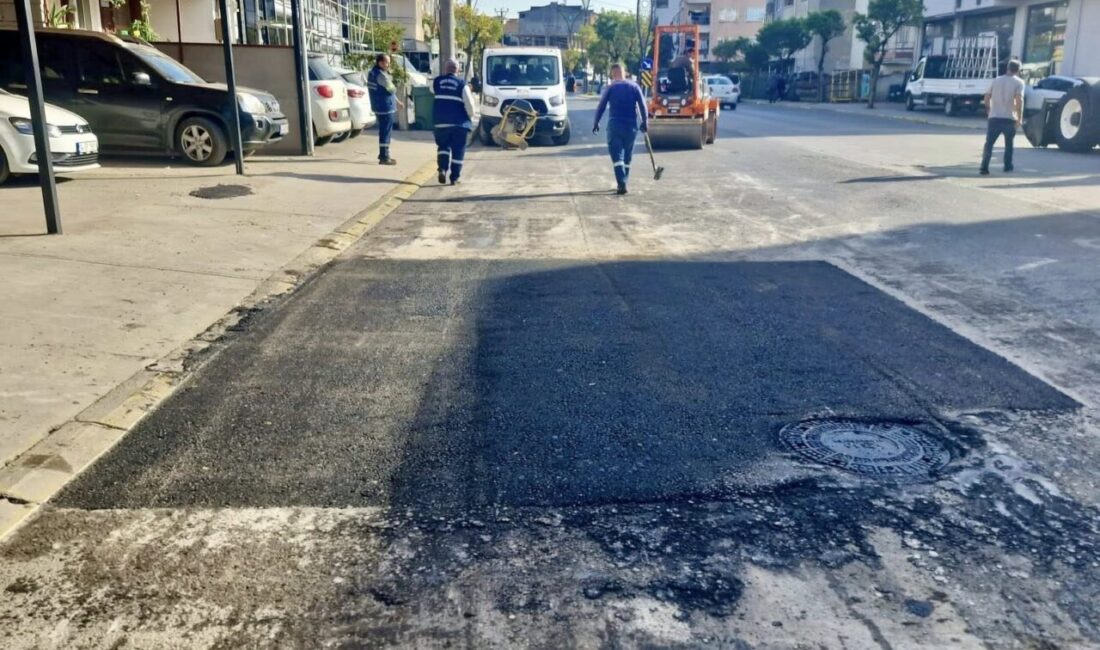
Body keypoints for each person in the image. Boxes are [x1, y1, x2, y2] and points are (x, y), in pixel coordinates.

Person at [592, 62, 648, 195]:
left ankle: (621, 183)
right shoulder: (635, 87)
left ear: (613, 73)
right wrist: (645, 123)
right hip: (631, 127)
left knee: (617, 156)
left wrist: (596, 122)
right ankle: (623, 181)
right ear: (624, 72)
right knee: (627, 157)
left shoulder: (611, 87)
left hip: (615, 125)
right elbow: (643, 106)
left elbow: (601, 107)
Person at [432, 58, 478, 185]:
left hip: (440, 122)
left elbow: (433, 91)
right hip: (459, 124)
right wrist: (471, 116)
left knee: (443, 147)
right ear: (458, 70)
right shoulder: (462, 85)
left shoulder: (437, 82)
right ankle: (454, 178)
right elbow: (470, 105)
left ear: (446, 69)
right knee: (458, 150)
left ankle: (442, 169)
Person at [981, 59, 1025, 175]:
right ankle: (1007, 166)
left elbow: (986, 97)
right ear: (1018, 70)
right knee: (1009, 144)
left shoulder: (996, 80)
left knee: (989, 143)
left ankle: (984, 167)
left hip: (994, 117)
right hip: (1009, 118)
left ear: (1008, 68)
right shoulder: (1019, 82)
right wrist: (1020, 117)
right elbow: (1019, 100)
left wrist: (989, 110)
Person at [367, 54, 399, 166]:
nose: (388, 65)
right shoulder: (381, 75)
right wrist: (392, 80)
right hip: (385, 106)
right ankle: (384, 156)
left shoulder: (372, 73)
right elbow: (392, 89)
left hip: (378, 105)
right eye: (387, 62)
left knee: (383, 131)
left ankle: (383, 154)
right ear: (380, 63)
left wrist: (398, 101)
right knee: (386, 132)